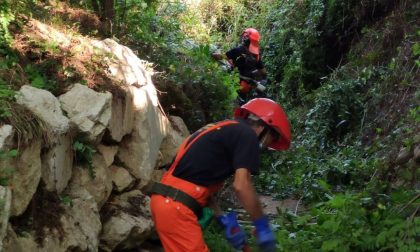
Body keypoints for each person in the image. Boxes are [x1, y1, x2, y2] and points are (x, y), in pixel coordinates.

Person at [148, 98, 291, 252]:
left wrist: (223, 220)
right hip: (176, 208)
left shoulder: (224, 130)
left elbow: (193, 182)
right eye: (274, 137)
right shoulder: (247, 136)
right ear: (265, 127)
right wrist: (262, 226)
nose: (270, 144)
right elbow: (242, 185)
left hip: (167, 203)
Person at [212, 28, 267, 105]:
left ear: (245, 38)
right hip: (249, 86)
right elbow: (263, 71)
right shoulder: (256, 55)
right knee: (244, 102)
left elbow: (222, 57)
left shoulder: (238, 50)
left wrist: (213, 54)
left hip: (238, 84)